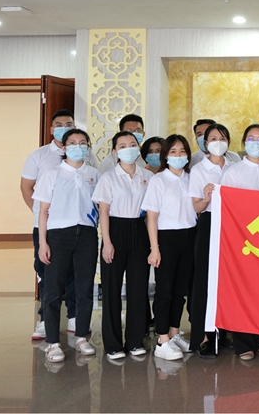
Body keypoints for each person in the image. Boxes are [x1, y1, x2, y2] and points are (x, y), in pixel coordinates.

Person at [21, 109, 95, 340]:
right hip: (49, 227)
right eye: (60, 125)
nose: (65, 128)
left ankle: (74, 317)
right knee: (48, 274)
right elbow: (27, 188)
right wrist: (43, 215)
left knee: (77, 276)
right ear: (53, 129)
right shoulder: (40, 156)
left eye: (69, 124)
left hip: (82, 229)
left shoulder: (90, 164)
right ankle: (46, 321)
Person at [33, 129, 100, 363]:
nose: (77, 146)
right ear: (64, 148)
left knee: (84, 287)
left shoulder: (94, 174)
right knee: (53, 289)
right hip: (58, 235)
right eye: (72, 143)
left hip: (87, 234)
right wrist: (43, 243)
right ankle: (52, 342)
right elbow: (43, 211)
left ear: (88, 147)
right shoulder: (52, 174)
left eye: (82, 143)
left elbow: (101, 207)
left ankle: (81, 336)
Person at [92, 131, 154, 360]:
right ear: (115, 151)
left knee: (138, 289)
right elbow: (104, 212)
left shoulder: (148, 176)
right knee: (112, 290)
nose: (128, 148)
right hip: (115, 231)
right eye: (122, 145)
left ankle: (135, 341)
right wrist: (107, 242)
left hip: (139, 229)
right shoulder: (108, 177)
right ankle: (113, 344)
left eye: (132, 144)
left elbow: (151, 212)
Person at [220, 124, 259, 359]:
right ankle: (243, 343)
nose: (256, 143)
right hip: (241, 238)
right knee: (242, 290)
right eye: (251, 139)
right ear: (244, 143)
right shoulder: (234, 172)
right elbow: (226, 205)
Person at [141, 134, 196, 361]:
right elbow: (151, 217)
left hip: (189, 236)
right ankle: (162, 339)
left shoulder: (191, 178)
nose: (178, 155)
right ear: (165, 155)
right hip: (166, 238)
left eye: (182, 151)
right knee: (164, 290)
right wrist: (154, 248)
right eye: (173, 151)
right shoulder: (159, 180)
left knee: (180, 290)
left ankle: (174, 333)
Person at [188, 123, 234, 357]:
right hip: (208, 224)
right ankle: (203, 335)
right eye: (213, 138)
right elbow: (196, 207)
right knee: (205, 280)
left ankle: (223, 332)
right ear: (206, 143)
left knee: (227, 280)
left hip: (232, 227)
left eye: (222, 138)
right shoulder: (199, 169)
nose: (218, 142)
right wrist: (206, 198)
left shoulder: (235, 167)